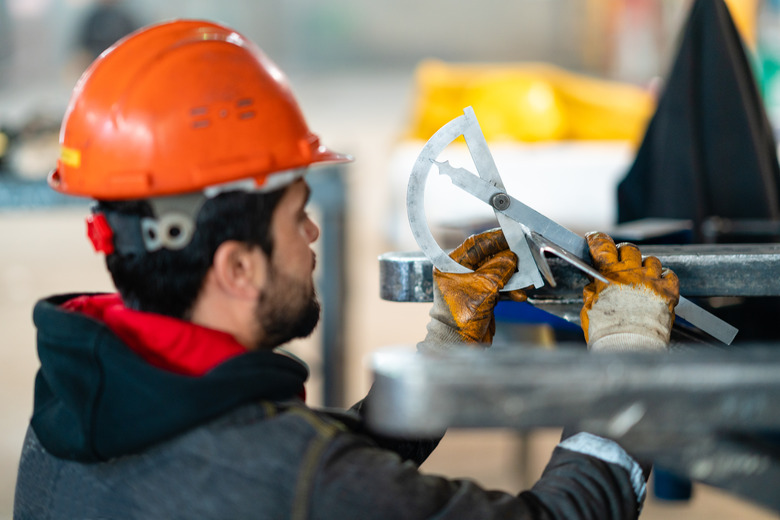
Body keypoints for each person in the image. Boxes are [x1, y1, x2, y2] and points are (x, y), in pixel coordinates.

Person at [13, 19, 680, 520]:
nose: (312, 236)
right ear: (238, 266)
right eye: (298, 216)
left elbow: (320, 467)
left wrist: (444, 361)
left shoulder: (69, 410)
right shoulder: (294, 476)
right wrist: (625, 371)